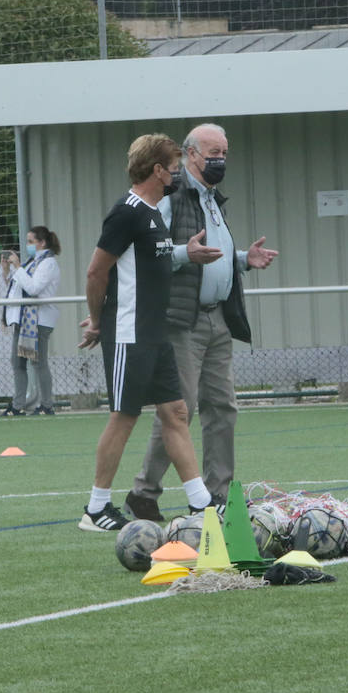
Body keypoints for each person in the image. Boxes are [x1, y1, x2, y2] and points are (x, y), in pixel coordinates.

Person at [123, 123, 278, 522]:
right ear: (190, 154)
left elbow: (214, 252)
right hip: (182, 321)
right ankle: (144, 491)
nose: (220, 159)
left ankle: (218, 494)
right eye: (213, 152)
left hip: (217, 320)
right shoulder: (171, 197)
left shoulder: (212, 199)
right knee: (180, 409)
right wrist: (182, 254)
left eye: (224, 152)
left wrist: (243, 259)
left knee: (222, 407)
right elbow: (151, 249)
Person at [76, 133, 212, 532]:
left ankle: (202, 504)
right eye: (173, 166)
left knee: (176, 412)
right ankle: (96, 508)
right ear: (157, 170)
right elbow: (96, 271)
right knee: (125, 416)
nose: (177, 172)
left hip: (156, 333)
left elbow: (153, 264)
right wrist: (98, 320)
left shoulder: (155, 212)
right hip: (129, 333)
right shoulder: (128, 212)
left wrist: (187, 251)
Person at [0, 225, 62, 417]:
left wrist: (18, 267)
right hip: (23, 319)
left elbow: (33, 288)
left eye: (31, 242)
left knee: (38, 363)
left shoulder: (48, 263)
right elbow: (17, 286)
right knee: (17, 362)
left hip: (39, 320)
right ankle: (17, 405)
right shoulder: (32, 262)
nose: (28, 246)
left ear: (42, 243)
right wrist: (7, 270)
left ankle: (46, 405)